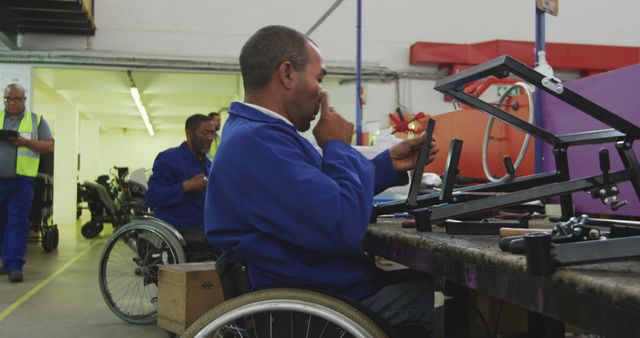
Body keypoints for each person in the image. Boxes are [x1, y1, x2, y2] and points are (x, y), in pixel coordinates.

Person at [204, 25, 439, 335]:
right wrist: (336, 145)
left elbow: (322, 187)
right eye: (319, 79)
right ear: (287, 74)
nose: (322, 93)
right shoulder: (258, 143)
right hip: (321, 306)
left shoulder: (260, 134)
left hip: (322, 289)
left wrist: (386, 165)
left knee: (429, 284)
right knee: (456, 302)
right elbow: (342, 222)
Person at [0, 83, 54, 283]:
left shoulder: (36, 121)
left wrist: (25, 142)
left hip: (21, 183)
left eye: (16, 99)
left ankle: (14, 266)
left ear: (24, 100)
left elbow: (49, 146)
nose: (12, 102)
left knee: (17, 222)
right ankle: (5, 262)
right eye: (8, 99)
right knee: (2, 222)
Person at [146, 114, 218, 254]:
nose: (210, 138)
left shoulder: (208, 165)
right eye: (205, 133)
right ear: (189, 134)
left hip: (204, 227)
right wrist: (187, 186)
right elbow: (152, 197)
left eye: (212, 133)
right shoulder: (169, 159)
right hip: (179, 230)